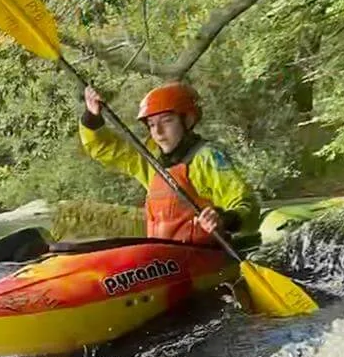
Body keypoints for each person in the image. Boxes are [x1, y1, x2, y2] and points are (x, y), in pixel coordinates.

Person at [79, 81, 260, 246]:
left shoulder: (207, 157)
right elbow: (104, 148)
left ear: (188, 120)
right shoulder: (150, 160)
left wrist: (224, 219)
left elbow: (246, 205)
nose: (158, 131)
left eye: (166, 121)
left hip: (206, 257)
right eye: (151, 124)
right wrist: (92, 116)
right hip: (164, 261)